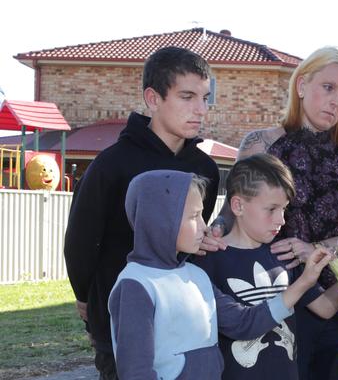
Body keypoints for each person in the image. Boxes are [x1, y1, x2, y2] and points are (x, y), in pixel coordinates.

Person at [218, 46, 338, 380]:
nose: (336, 101)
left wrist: (318, 249)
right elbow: (229, 216)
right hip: (271, 301)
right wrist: (210, 233)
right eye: (328, 88)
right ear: (301, 86)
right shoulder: (260, 144)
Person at [64, 46, 222, 379]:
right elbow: (81, 238)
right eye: (187, 96)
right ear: (153, 98)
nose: (200, 110)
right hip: (120, 318)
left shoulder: (205, 168)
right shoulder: (112, 163)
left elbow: (192, 241)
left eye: (205, 98)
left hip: (181, 321)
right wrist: (87, 299)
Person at [109, 169, 333, 379]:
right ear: (161, 220)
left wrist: (305, 281)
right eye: (194, 216)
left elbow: (244, 323)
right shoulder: (136, 285)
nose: (205, 226)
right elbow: (135, 372)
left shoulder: (196, 275)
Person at [194, 154, 338, 380]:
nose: (281, 220)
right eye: (271, 209)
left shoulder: (283, 255)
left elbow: (325, 307)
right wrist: (305, 281)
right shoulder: (208, 259)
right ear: (237, 205)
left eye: (284, 209)